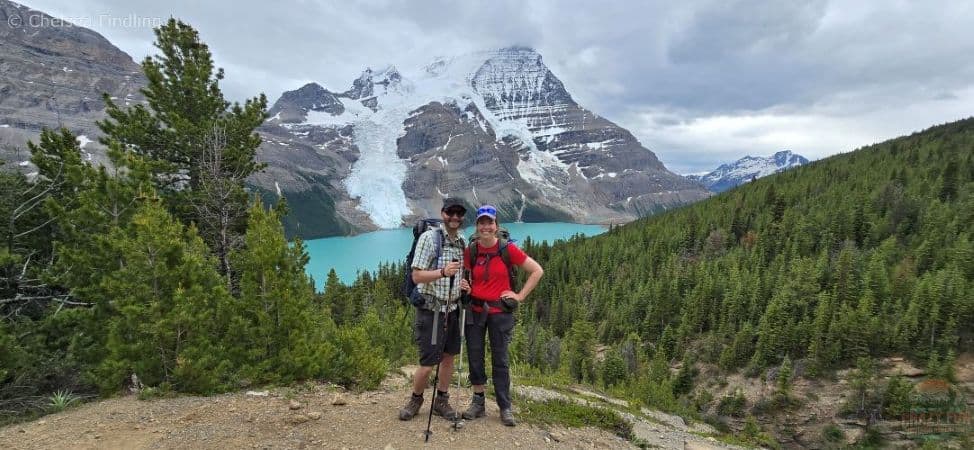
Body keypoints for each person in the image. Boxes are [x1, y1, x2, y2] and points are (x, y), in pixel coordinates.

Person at [460, 204, 544, 426]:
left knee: (501, 360)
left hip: (500, 312)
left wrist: (520, 295)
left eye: (490, 222)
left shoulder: (508, 250)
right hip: (475, 311)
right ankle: (478, 402)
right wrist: (466, 286)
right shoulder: (472, 251)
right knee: (475, 357)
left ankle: (504, 407)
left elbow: (537, 271)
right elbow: (467, 275)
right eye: (482, 223)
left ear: (496, 226)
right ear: (477, 226)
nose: (486, 227)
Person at [398, 198, 470, 421]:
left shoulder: (462, 241)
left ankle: (441, 400)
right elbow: (417, 275)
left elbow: (459, 273)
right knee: (428, 363)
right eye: (451, 213)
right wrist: (442, 272)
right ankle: (416, 399)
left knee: (448, 358)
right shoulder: (429, 239)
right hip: (431, 309)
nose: (455, 217)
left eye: (459, 214)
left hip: (453, 308)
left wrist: (464, 284)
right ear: (443, 213)